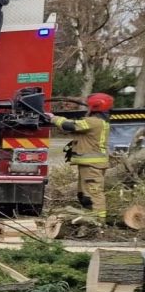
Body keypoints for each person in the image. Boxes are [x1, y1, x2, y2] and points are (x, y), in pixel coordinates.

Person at [45, 93, 112, 222]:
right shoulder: (99, 121)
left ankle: (98, 221)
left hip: (92, 164)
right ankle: (89, 218)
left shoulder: (93, 122)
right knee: (85, 194)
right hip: (91, 164)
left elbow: (70, 126)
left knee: (93, 193)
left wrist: (52, 118)